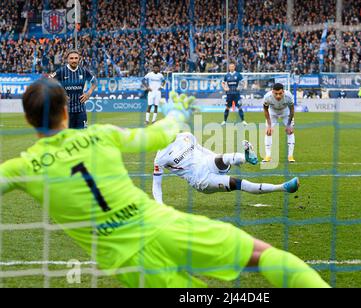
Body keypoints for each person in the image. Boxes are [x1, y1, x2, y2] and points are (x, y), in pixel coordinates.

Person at [0, 79, 329, 288]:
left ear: (28, 120)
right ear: (66, 112)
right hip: (161, 224)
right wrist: (175, 114)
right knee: (264, 255)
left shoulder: (24, 166)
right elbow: (157, 135)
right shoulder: (102, 135)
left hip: (129, 264)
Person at [152, 133, 300, 204]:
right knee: (240, 184)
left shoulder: (185, 136)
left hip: (206, 162)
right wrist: (160, 206)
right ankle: (282, 187)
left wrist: (217, 158)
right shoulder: (160, 157)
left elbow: (201, 148)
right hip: (200, 180)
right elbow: (156, 185)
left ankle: (246, 157)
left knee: (224, 157)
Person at [50, 49, 97, 129]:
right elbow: (48, 81)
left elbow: (94, 82)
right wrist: (60, 94)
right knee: (67, 135)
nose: (74, 60)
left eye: (76, 58)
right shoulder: (61, 71)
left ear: (79, 59)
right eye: (71, 58)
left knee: (82, 134)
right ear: (67, 59)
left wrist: (88, 93)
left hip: (80, 110)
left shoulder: (83, 71)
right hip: (66, 111)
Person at [262, 83, 296, 163]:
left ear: (283, 92)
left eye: (280, 93)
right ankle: (268, 156)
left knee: (290, 131)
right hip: (272, 112)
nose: (278, 96)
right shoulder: (267, 97)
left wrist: (288, 125)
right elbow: (265, 110)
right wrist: (269, 125)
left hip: (285, 112)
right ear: (272, 92)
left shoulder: (289, 96)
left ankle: (290, 156)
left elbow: (292, 110)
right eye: (276, 94)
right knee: (268, 132)